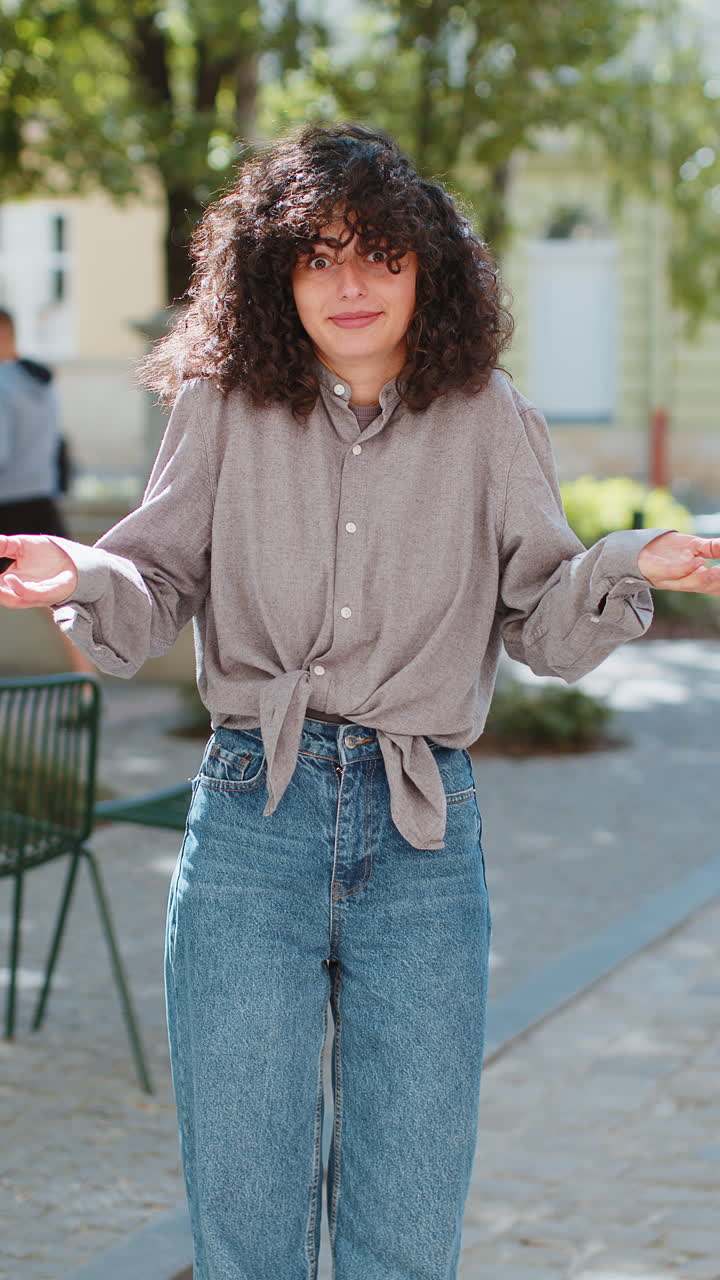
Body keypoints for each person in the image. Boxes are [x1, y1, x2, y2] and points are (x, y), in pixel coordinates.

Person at [0, 124, 719, 1279]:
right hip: (249, 825)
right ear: (274, 273)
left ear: (427, 271)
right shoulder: (222, 406)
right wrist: (85, 573)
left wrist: (636, 561)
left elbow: (541, 612)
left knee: (406, 1222)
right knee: (246, 1222)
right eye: (319, 255)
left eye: (380, 255)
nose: (351, 283)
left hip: (425, 837)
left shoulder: (487, 414)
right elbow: (158, 579)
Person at [0, 308, 94, 678]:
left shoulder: (2, 384)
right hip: (40, 499)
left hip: (6, 503)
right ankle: (87, 687)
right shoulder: (38, 380)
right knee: (59, 602)